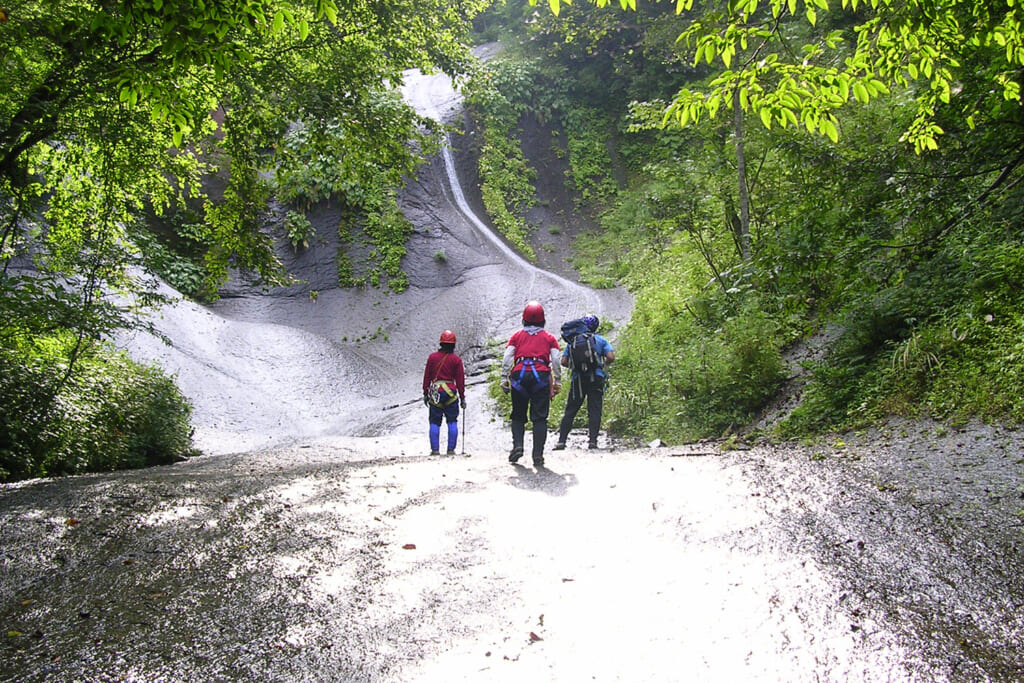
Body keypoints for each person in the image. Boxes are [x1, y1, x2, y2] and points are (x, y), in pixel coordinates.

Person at [500, 300, 562, 467]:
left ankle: (518, 445)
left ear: (524, 320)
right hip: (540, 376)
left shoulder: (516, 336)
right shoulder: (549, 338)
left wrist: (503, 378)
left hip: (519, 374)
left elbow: (508, 357)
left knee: (518, 415)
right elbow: (556, 359)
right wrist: (557, 380)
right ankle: (537, 455)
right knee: (539, 417)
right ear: (543, 320)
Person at [553, 314, 615, 451]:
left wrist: (576, 367)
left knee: (570, 410)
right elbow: (611, 356)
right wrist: (602, 365)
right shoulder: (600, 340)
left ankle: (561, 441)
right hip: (596, 378)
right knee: (594, 410)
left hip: (578, 380)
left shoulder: (573, 342)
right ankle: (592, 442)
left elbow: (563, 361)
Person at [422, 329, 466, 456]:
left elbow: (427, 377)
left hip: (436, 393)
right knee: (452, 421)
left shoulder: (432, 358)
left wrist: (425, 393)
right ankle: (451, 450)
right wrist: (462, 397)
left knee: (435, 422)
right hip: (451, 393)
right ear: (453, 344)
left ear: (441, 343)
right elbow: (460, 380)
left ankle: (435, 450)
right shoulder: (456, 360)